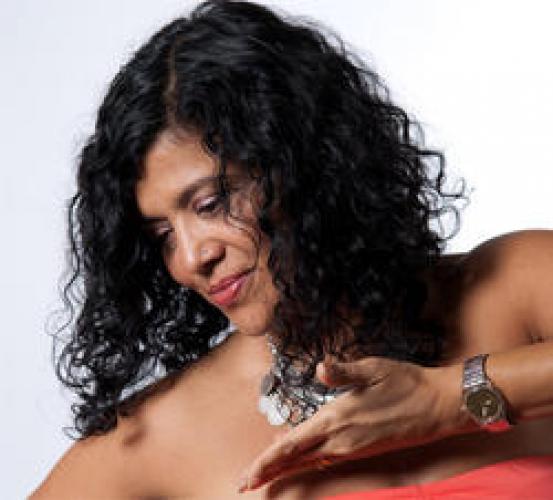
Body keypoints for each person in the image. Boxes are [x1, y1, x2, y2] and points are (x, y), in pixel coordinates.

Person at [30, 1, 553, 498]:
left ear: (306, 166)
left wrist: (444, 400)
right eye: (163, 236)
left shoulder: (515, 285)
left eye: (211, 203)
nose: (190, 259)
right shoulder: (164, 435)